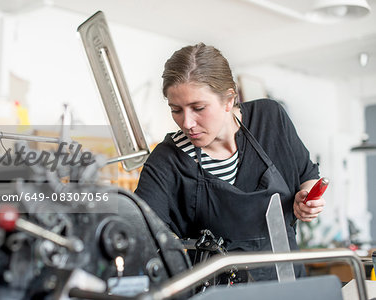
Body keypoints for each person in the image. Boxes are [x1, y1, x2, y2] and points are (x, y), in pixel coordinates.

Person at [134, 43, 326, 281]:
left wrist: (307, 199)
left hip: (288, 284)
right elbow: (138, 232)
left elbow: (307, 174)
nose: (187, 123)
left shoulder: (270, 119)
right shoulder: (167, 161)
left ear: (228, 99)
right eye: (176, 110)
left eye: (198, 108)